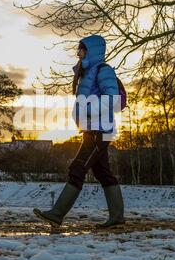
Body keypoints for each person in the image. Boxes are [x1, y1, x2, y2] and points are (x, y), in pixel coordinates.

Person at [33, 34, 125, 228]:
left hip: (100, 130)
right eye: (78, 50)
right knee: (103, 173)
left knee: (78, 168)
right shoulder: (87, 72)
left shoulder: (103, 70)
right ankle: (117, 217)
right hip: (91, 130)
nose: (78, 53)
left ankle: (57, 214)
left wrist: (87, 110)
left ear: (91, 51)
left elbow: (111, 98)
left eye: (81, 50)